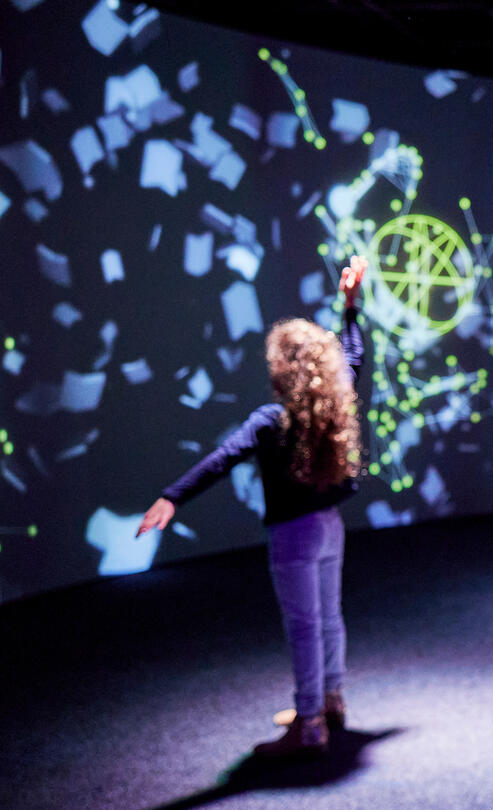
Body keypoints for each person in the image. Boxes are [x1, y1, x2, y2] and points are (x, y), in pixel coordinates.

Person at [135, 256, 369, 758]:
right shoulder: (335, 401)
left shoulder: (270, 420)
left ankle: (310, 723)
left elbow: (222, 458)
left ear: (284, 368)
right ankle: (330, 702)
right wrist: (350, 306)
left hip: (294, 536)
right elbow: (353, 354)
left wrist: (172, 496)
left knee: (305, 627)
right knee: (328, 618)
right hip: (329, 526)